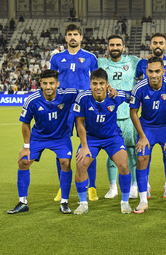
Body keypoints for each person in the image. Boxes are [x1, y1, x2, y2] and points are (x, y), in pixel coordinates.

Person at [7, 69, 78, 214]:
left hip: (60, 137)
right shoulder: (32, 100)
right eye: (45, 83)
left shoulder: (68, 94)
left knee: (65, 162)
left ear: (57, 83)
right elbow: (25, 123)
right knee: (23, 161)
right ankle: (22, 202)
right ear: (40, 84)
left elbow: (87, 93)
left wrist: (109, 88)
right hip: (38, 137)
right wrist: (26, 146)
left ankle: (64, 201)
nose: (48, 87)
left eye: (51, 83)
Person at [72, 68, 132, 215]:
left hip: (112, 137)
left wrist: (116, 89)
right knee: (80, 165)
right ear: (90, 84)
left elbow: (134, 96)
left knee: (124, 165)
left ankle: (125, 202)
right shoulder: (83, 98)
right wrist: (84, 146)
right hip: (91, 138)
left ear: (107, 84)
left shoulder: (115, 95)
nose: (98, 87)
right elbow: (79, 122)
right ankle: (83, 203)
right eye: (94, 83)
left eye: (101, 83)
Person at [50, 24, 98, 201]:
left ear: (81, 37)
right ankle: (63, 189)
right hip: (63, 107)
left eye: (75, 34)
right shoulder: (56, 58)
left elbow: (96, 81)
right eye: (69, 34)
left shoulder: (90, 58)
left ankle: (91, 187)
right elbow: (51, 82)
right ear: (65, 38)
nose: (72, 37)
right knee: (61, 146)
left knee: (89, 145)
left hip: (85, 106)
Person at [130, 57, 166, 214]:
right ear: (146, 71)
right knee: (141, 158)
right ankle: (143, 201)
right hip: (146, 127)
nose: (153, 75)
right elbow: (133, 112)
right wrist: (142, 136)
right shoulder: (139, 88)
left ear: (163, 71)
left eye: (157, 71)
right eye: (150, 71)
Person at [97, 35, 140, 199]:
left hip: (130, 114)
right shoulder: (100, 63)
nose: (115, 47)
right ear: (107, 47)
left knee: (131, 150)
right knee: (112, 152)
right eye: (112, 45)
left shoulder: (133, 62)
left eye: (118, 45)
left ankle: (135, 185)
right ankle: (113, 187)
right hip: (109, 115)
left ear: (123, 46)